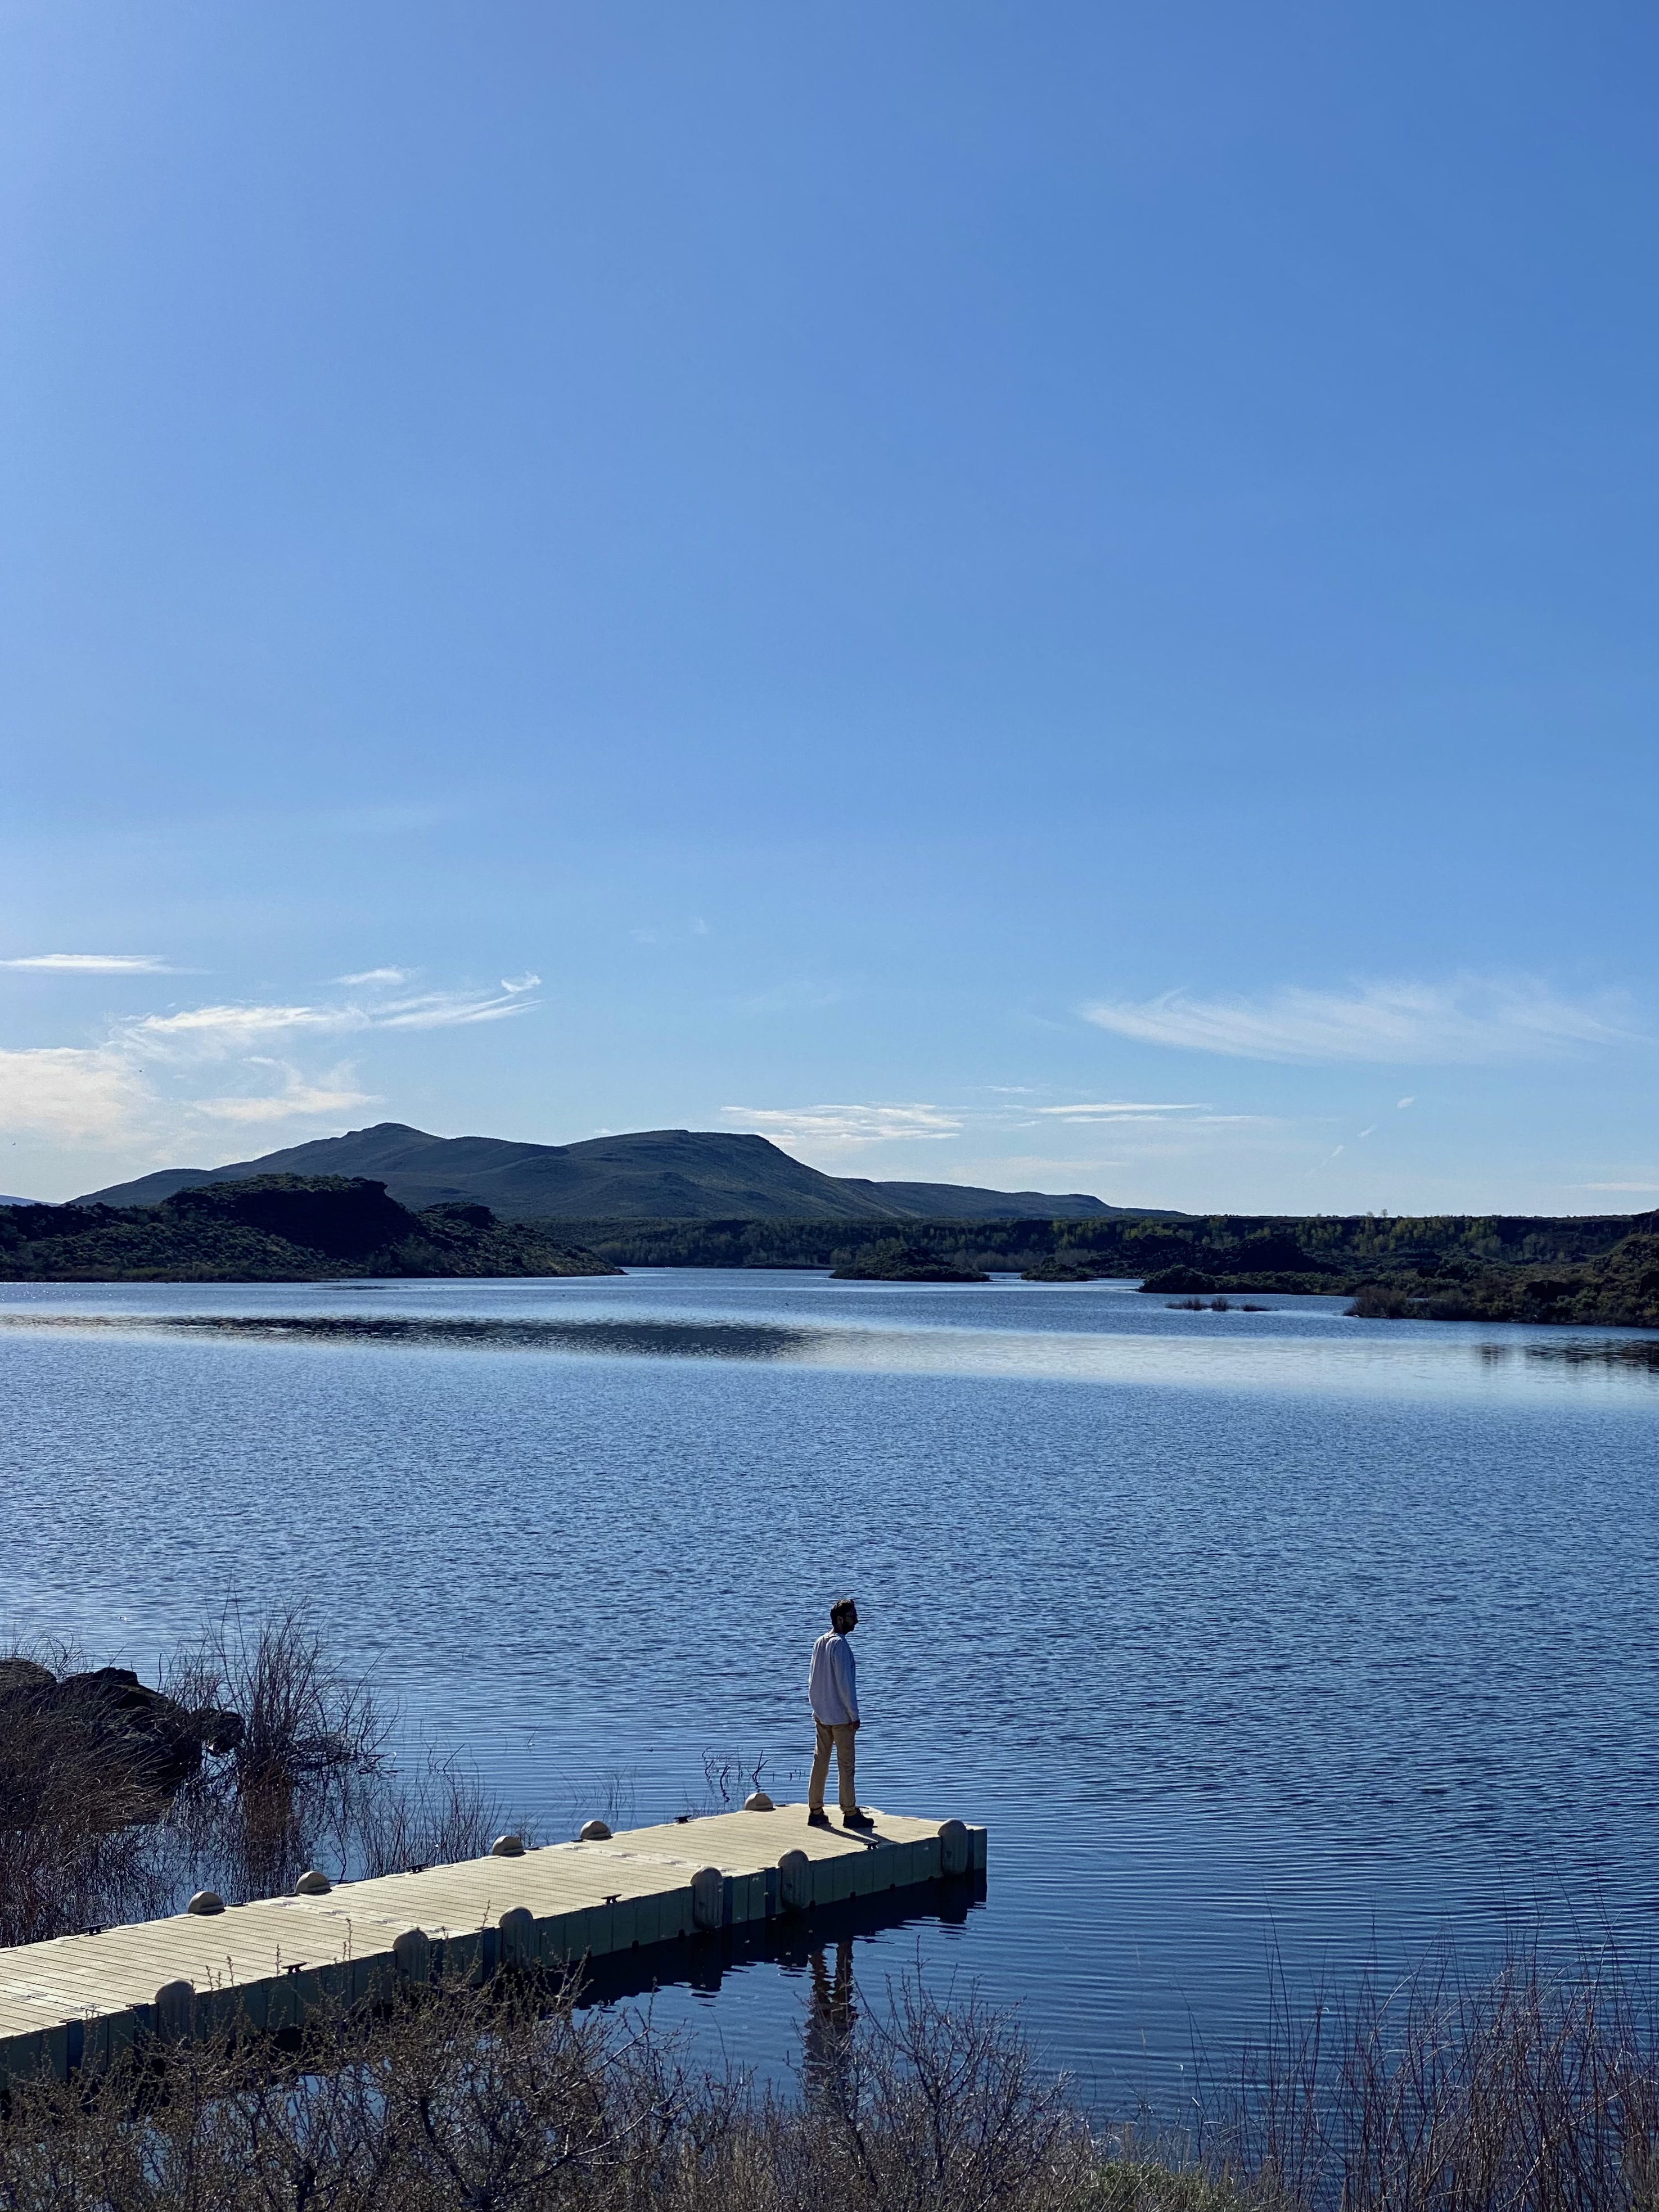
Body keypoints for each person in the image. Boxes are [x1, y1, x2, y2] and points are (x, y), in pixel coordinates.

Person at [806, 1597, 872, 1829]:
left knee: (820, 1762)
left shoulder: (820, 1642)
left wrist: (816, 1709)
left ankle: (815, 1810)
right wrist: (854, 1715)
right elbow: (846, 1685)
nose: (857, 1621)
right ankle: (850, 1812)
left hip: (822, 1715)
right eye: (853, 1617)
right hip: (841, 1718)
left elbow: (812, 1681)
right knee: (846, 1766)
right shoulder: (840, 1645)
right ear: (840, 1619)